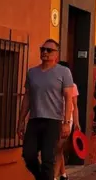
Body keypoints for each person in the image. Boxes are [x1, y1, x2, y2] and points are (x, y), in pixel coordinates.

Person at [18, 39, 74, 180]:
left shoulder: (64, 72)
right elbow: (27, 97)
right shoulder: (32, 72)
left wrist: (66, 122)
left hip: (53, 121)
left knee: (48, 158)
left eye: (49, 50)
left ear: (56, 54)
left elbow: (68, 98)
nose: (45, 52)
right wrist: (20, 121)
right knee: (28, 155)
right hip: (35, 120)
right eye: (42, 49)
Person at [54, 62, 80, 180]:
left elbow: (75, 105)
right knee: (57, 147)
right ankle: (63, 174)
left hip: (67, 120)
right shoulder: (54, 84)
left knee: (58, 147)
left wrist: (76, 122)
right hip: (54, 118)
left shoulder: (72, 86)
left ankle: (54, 177)